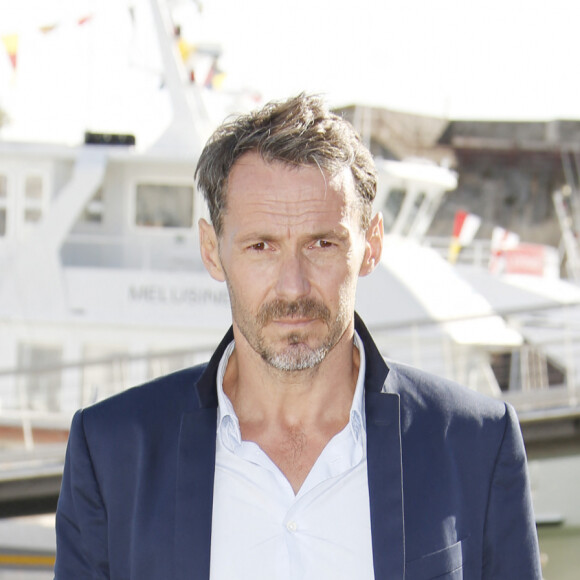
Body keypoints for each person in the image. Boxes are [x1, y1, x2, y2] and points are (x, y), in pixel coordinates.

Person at [54, 94, 542, 579]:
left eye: (322, 244)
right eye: (261, 246)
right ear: (211, 250)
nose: (293, 286)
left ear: (370, 246)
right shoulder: (112, 452)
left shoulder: (475, 443)